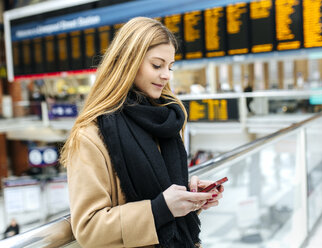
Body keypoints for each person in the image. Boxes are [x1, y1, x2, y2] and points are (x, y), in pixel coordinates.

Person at [60, 17, 224, 248]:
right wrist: (160, 209)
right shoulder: (91, 135)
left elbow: (161, 191)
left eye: (170, 66)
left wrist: (189, 195)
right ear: (128, 62)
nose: (167, 75)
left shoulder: (165, 120)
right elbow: (88, 228)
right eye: (157, 65)